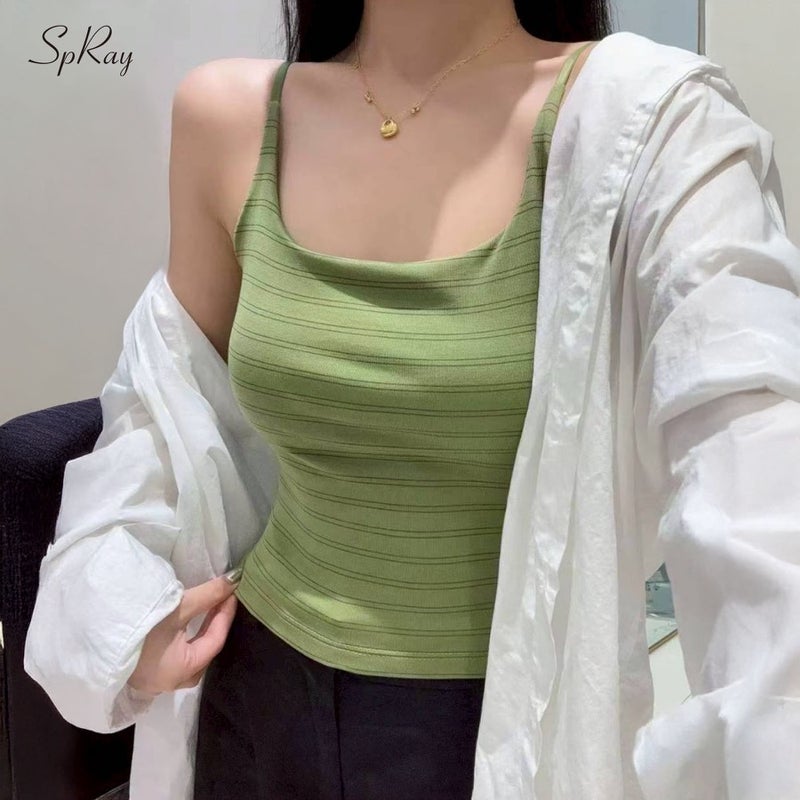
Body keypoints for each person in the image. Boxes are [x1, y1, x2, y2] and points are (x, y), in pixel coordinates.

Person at [23, 1, 800, 799]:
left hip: (501, 731)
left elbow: (761, 484)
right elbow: (164, 412)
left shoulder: (657, 130)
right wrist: (119, 608)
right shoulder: (228, 117)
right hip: (257, 704)